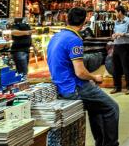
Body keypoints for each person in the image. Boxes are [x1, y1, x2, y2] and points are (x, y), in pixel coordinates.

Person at [47, 8, 119, 146]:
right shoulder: (74, 40)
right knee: (112, 107)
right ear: (84, 21)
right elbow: (80, 72)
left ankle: (101, 142)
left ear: (68, 19)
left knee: (96, 108)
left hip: (60, 85)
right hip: (73, 88)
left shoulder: (56, 36)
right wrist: (94, 77)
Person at [111, 5, 129, 95]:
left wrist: (123, 34)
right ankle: (117, 87)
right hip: (116, 46)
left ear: (120, 12)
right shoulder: (116, 22)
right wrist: (114, 35)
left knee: (126, 68)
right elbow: (115, 32)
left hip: (126, 46)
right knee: (115, 68)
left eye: (115, 12)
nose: (114, 14)